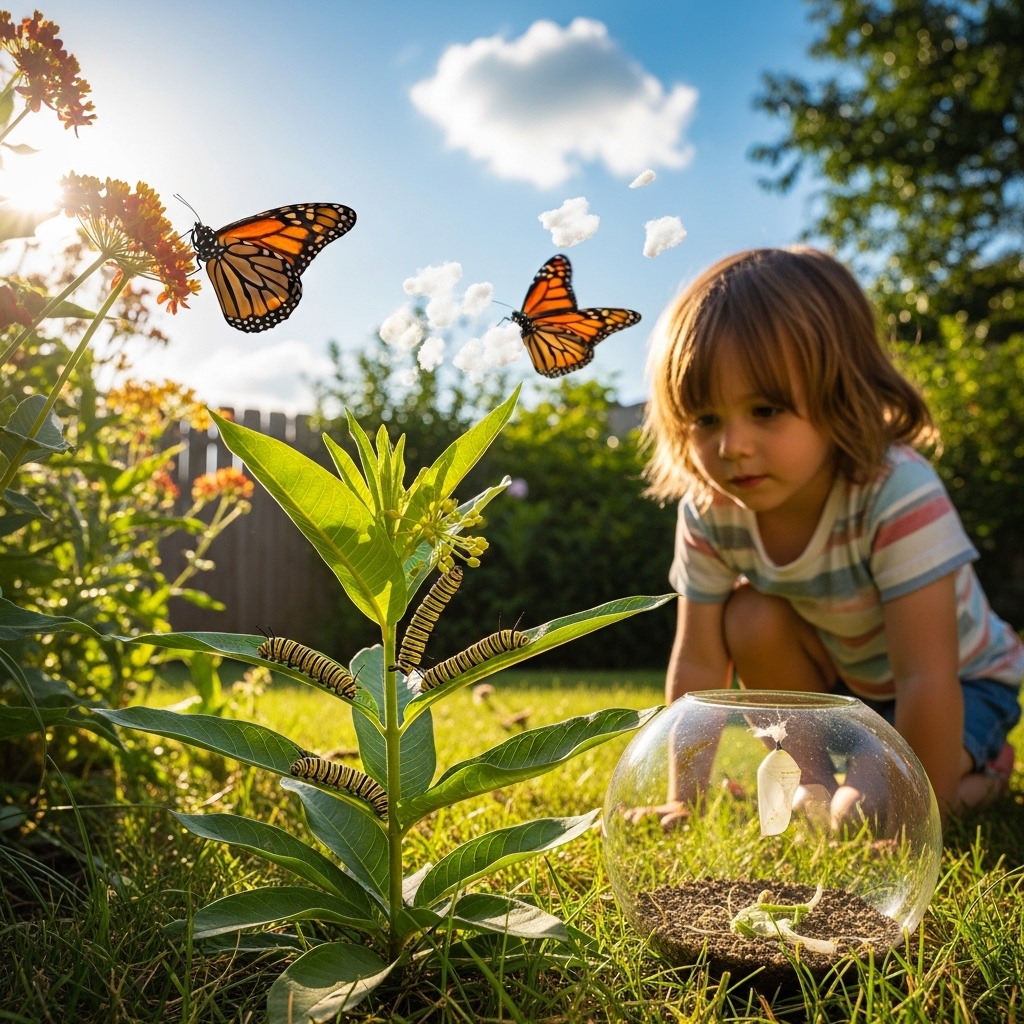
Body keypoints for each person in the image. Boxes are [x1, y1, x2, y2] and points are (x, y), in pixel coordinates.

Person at [639, 247, 1023, 829]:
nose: (731, 446)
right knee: (747, 616)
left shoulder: (895, 492)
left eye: (765, 410)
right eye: (706, 419)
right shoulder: (712, 508)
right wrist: (681, 797)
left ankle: (984, 776)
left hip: (963, 685)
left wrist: (915, 818)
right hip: (856, 691)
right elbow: (697, 662)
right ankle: (813, 776)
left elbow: (927, 673)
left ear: (839, 395)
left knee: (864, 815)